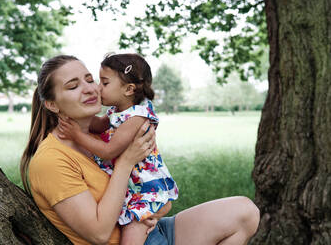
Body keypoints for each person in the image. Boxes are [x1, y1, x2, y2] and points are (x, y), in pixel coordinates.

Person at [20, 55, 260, 245]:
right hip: (132, 240)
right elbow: (99, 234)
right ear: (51, 104)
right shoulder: (50, 160)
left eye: (90, 79)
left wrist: (152, 210)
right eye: (73, 86)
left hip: (151, 228)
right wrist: (126, 162)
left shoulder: (101, 132)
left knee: (245, 212)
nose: (89, 89)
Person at [57, 53, 178, 244]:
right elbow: (99, 126)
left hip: (144, 190)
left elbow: (109, 151)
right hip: (132, 186)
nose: (97, 87)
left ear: (128, 89)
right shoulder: (117, 111)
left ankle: (158, 209)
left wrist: (77, 135)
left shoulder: (137, 117)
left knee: (131, 236)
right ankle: (160, 210)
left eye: (104, 83)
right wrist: (73, 114)